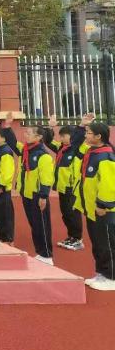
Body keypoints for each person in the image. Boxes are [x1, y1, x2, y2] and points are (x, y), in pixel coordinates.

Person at [75, 122, 115, 291]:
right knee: (98, 244)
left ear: (99, 137)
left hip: (103, 210)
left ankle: (111, 277)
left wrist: (102, 204)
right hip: (91, 209)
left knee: (107, 244)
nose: (86, 136)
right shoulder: (91, 151)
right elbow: (76, 147)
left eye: (89, 133)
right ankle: (101, 273)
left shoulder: (105, 156)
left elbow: (109, 184)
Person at [48, 113, 91, 251]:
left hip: (72, 187)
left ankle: (78, 239)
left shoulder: (79, 148)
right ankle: (71, 236)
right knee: (65, 214)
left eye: (63, 136)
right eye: (60, 136)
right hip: (62, 187)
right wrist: (51, 127)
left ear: (72, 136)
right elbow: (47, 141)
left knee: (73, 214)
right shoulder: (62, 148)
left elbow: (78, 139)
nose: (61, 138)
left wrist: (82, 125)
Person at [15, 125, 57, 265]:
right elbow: (11, 141)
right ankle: (40, 252)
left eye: (29, 133)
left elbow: (46, 178)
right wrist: (7, 127)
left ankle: (47, 255)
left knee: (42, 225)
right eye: (26, 132)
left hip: (37, 195)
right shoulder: (27, 150)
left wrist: (43, 196)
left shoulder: (43, 156)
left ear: (39, 137)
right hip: (27, 194)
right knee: (34, 225)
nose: (25, 135)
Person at [0, 127, 16, 244]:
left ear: (4, 138)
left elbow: (7, 172)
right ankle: (1, 237)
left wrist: (0, 185)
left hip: (1, 190)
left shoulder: (6, 151)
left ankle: (7, 239)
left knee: (4, 215)